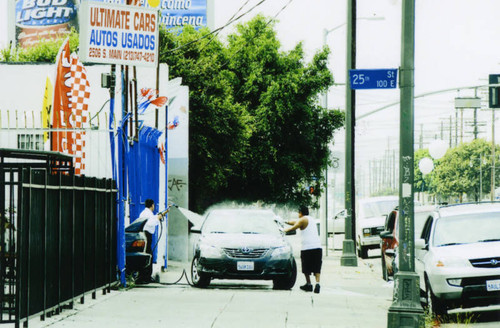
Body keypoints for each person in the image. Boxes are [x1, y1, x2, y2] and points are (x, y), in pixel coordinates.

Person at [284, 205, 322, 294]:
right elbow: (294, 222)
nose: (298, 214)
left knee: (306, 267)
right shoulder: (310, 219)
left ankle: (308, 284)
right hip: (317, 247)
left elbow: (294, 227)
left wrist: (283, 230)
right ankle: (317, 283)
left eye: (298, 212)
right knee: (317, 267)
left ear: (301, 213)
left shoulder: (303, 219)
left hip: (307, 248)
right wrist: (284, 221)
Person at [137, 199, 166, 284]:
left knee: (148, 255)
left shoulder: (145, 213)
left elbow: (153, 219)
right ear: (152, 205)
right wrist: (158, 218)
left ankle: (145, 276)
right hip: (146, 235)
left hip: (144, 235)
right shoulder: (147, 213)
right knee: (148, 256)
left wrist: (161, 214)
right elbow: (151, 223)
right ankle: (145, 277)